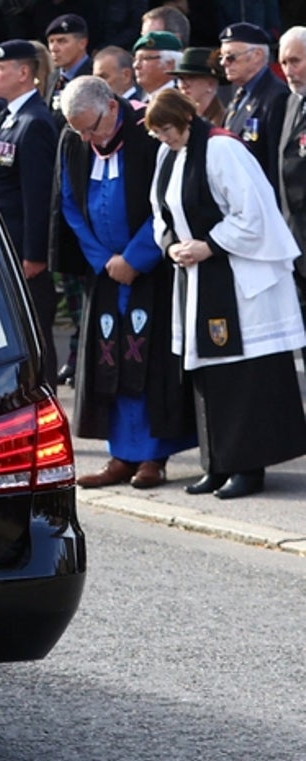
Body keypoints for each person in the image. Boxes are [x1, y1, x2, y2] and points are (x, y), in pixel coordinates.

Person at [147, 88, 306, 499]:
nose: (165, 139)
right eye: (158, 133)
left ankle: (248, 468)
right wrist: (170, 246)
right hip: (197, 280)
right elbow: (160, 213)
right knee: (208, 375)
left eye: (168, 130)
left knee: (240, 378)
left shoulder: (222, 150)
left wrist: (209, 245)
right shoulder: (169, 154)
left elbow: (253, 215)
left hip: (238, 282)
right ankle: (216, 463)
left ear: (185, 120)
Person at [55, 76, 196, 489]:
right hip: (106, 272)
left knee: (148, 362)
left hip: (149, 268)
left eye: (91, 126)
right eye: (78, 129)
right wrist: (103, 261)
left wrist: (135, 258)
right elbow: (69, 203)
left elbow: (167, 203)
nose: (86, 137)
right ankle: (121, 455)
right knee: (109, 361)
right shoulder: (75, 139)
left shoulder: (145, 133)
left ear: (112, 107)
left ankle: (153, 455)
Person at [0, 40, 59, 389]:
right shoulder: (9, 115)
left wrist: (34, 254)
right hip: (5, 245)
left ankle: (44, 402)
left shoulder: (35, 122)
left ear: (24, 73)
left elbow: (38, 195)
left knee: (35, 337)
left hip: (22, 251)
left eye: (0, 69)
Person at [219, 22, 287, 191]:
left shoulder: (276, 96)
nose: (224, 63)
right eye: (222, 57)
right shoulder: (241, 95)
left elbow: (275, 163)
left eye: (231, 57)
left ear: (257, 55)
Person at [277, 26, 306, 319]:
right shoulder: (292, 103)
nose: (288, 70)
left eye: (295, 61)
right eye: (284, 62)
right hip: (296, 243)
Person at [43, 13, 90, 123]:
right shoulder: (53, 77)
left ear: (82, 43)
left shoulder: (95, 75)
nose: (54, 48)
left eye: (61, 41)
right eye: (51, 41)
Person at [170, 47, 227, 125]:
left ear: (210, 84)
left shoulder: (224, 120)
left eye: (191, 78)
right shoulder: (177, 117)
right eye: (181, 78)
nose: (183, 85)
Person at [132, 31, 182, 99]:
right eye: (135, 59)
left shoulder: (181, 101)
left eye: (145, 58)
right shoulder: (139, 101)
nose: (136, 65)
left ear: (169, 64)